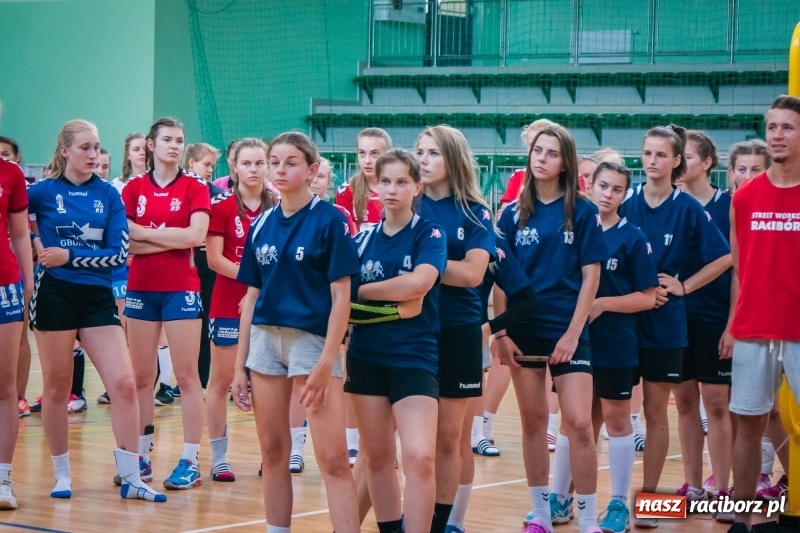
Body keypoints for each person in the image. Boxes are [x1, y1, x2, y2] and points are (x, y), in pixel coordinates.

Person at [27, 119, 165, 502]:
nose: (94, 155)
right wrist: (36, 239)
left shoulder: (109, 195)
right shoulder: (40, 193)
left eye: (97, 148)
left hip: (97, 298)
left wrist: (68, 254)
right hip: (53, 294)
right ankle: (61, 474)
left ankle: (132, 476)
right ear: (65, 151)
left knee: (123, 383)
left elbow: (117, 255)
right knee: (56, 388)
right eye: (85, 148)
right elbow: (16, 219)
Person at [232, 132, 360, 533]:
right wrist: (240, 367)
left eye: (291, 162)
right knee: (273, 453)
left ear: (312, 169)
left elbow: (343, 297)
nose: (280, 169)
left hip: (312, 342)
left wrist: (329, 359)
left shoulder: (331, 220)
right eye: (275, 161)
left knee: (333, 458)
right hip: (266, 343)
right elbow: (250, 298)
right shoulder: (263, 224)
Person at [495, 124, 607, 533]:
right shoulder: (510, 213)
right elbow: (501, 277)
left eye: (551, 153)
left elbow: (591, 278)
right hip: (524, 329)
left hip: (568, 326)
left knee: (578, 422)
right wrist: (502, 333)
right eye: (537, 151)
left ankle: (589, 519)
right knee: (532, 422)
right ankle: (541, 513)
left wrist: (574, 333)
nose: (541, 158)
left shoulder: (584, 211)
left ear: (565, 162)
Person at [622, 124, 731, 529]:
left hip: (690, 319)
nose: (652, 161)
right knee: (675, 406)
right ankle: (686, 490)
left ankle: (723, 491)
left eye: (661, 154)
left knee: (709, 406)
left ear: (677, 161)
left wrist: (683, 285)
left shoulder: (689, 207)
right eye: (646, 154)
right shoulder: (626, 201)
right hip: (642, 321)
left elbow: (725, 257)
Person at [347, 148, 447, 533]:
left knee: (420, 457)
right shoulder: (361, 238)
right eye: (385, 181)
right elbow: (344, 302)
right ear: (374, 185)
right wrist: (395, 302)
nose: (392, 189)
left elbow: (420, 284)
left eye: (402, 182)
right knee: (377, 458)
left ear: (417, 187)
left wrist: (366, 291)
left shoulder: (428, 233)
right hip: (366, 356)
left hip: (414, 356)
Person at [122, 117, 210, 490]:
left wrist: (146, 233)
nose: (174, 145)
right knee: (142, 378)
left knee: (187, 377)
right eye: (167, 140)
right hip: (140, 288)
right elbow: (128, 242)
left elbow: (196, 235)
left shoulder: (194, 188)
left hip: (181, 289)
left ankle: (190, 460)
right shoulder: (132, 189)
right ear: (151, 145)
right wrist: (170, 239)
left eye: (180, 139)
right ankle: (140, 456)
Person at [416, 125, 495, 533]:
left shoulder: (476, 212)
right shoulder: (405, 205)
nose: (423, 160)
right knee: (417, 446)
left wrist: (421, 268)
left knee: (449, 438)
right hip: (411, 329)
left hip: (460, 329)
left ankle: (449, 522)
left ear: (453, 159)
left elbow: (472, 274)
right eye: (420, 152)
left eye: (432, 153)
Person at [727, 95, 800, 533]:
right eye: (772, 127)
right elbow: (740, 265)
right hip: (754, 328)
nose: (777, 134)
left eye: (787, 127)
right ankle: (742, 518)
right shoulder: (746, 197)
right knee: (748, 424)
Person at [587, 162, 658, 532]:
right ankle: (566, 498)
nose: (608, 194)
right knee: (578, 422)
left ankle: (618, 504)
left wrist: (602, 304)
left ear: (624, 195)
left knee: (616, 420)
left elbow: (648, 298)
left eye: (616, 189)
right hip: (578, 342)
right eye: (603, 186)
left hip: (616, 343)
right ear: (590, 186)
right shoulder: (575, 230)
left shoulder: (633, 237)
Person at [205, 138, 276, 482]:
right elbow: (215, 259)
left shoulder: (279, 207)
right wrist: (252, 282)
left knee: (266, 385)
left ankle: (270, 456)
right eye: (246, 163)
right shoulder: (219, 208)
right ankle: (219, 458)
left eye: (259, 163)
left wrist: (258, 291)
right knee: (220, 382)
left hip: (269, 307)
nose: (253, 169)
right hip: (227, 304)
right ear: (233, 166)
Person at [674, 131, 735, 521]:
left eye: (688, 158)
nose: (680, 164)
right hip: (675, 319)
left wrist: (732, 324)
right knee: (683, 402)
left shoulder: (727, 204)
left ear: (707, 163)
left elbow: (737, 268)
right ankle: (693, 485)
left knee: (717, 404)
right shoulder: (671, 204)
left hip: (714, 317)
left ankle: (724, 489)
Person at [0, 139, 34, 509]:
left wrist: (27, 282)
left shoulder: (9, 173)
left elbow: (20, 233)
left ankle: (3, 479)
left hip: (3, 284)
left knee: (4, 388)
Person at [336, 127, 391, 232]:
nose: (367, 161)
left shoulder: (399, 189)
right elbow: (347, 235)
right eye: (362, 153)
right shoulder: (347, 191)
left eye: (374, 153)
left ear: (388, 155)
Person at [499, 119, 558, 210]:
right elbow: (505, 212)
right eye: (532, 145)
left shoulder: (575, 178)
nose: (540, 155)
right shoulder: (518, 176)